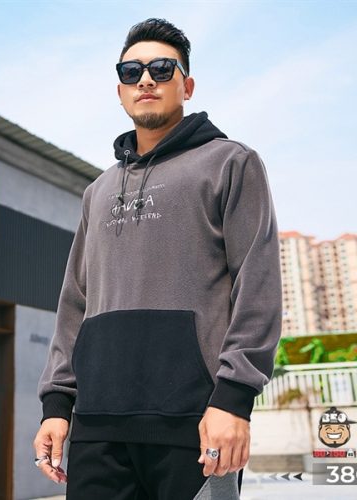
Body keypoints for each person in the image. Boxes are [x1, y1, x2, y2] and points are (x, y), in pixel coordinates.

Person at [33, 17, 282, 500]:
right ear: (120, 91)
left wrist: (234, 399)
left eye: (162, 68)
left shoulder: (230, 163)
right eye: (132, 72)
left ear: (186, 86)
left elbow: (258, 285)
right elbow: (74, 302)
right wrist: (57, 404)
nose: (145, 80)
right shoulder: (98, 191)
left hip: (195, 421)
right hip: (97, 426)